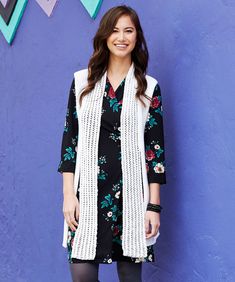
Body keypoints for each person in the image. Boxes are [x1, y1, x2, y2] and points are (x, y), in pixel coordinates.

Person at [57, 5, 167, 282]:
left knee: (130, 276)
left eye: (128, 31)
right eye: (115, 30)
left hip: (131, 197)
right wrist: (69, 196)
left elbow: (155, 153)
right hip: (88, 194)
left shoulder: (148, 88)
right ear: (105, 36)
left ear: (136, 37)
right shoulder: (82, 82)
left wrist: (153, 207)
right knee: (82, 274)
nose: (121, 37)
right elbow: (71, 140)